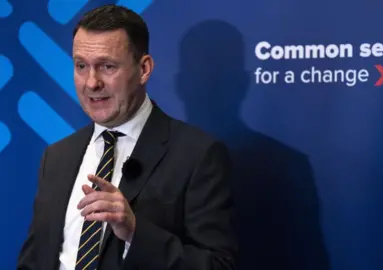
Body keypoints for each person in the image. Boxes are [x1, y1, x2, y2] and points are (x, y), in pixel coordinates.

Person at [17, 4, 237, 270]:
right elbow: (34, 260)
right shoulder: (56, 156)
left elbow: (219, 265)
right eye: (81, 66)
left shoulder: (198, 155)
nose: (91, 83)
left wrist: (134, 231)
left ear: (144, 69)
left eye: (107, 66)